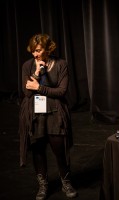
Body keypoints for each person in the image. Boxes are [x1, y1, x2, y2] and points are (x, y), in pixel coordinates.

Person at [18, 34, 77, 200]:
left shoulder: (61, 64)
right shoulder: (27, 66)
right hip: (35, 115)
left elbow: (61, 91)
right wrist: (36, 73)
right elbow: (27, 93)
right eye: (33, 51)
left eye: (38, 50)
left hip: (55, 114)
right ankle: (43, 185)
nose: (35, 54)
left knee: (60, 150)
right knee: (38, 150)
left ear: (47, 49)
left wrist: (39, 87)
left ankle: (66, 182)